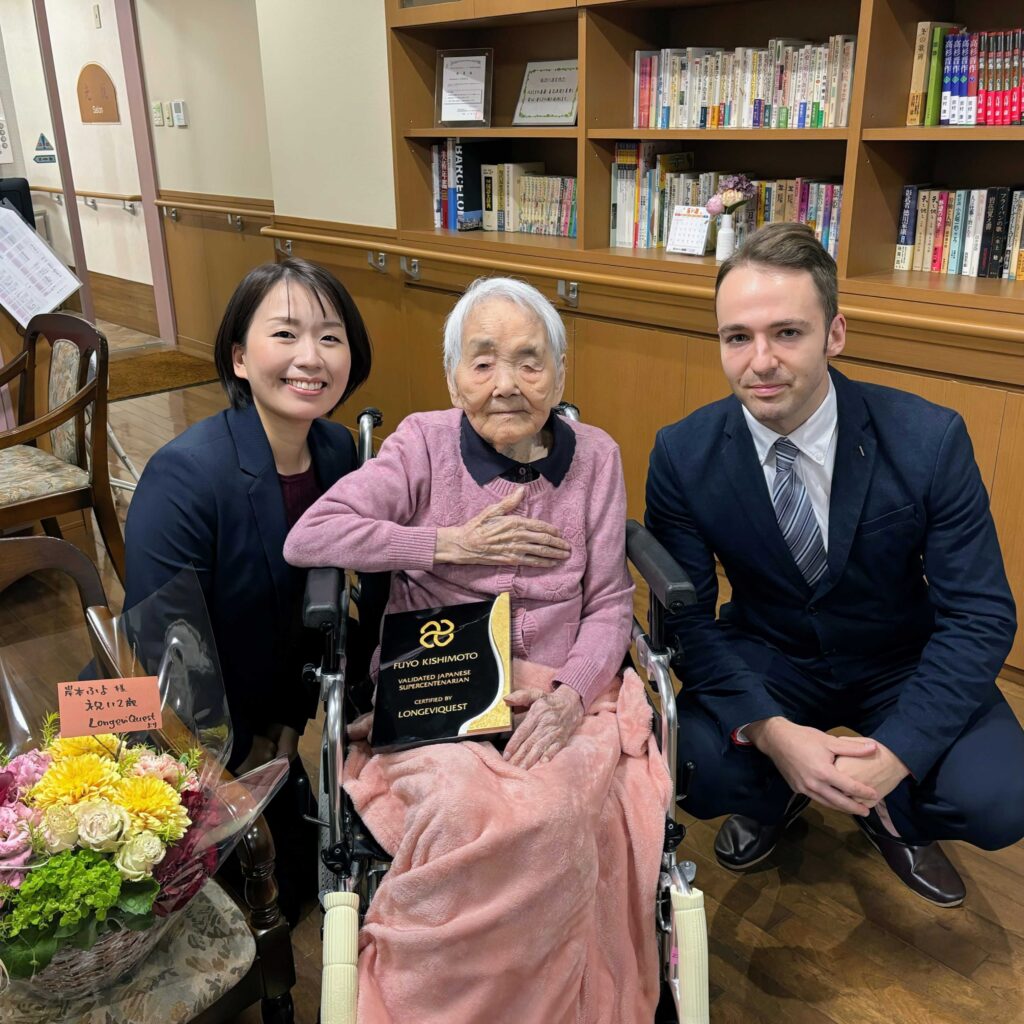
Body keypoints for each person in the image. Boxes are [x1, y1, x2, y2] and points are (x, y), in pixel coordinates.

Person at [284, 276, 667, 1023]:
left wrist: (570, 697)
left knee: (554, 814)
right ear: (452, 376)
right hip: (441, 680)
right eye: (483, 360)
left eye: (530, 362)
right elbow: (310, 537)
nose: (506, 384)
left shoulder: (596, 457)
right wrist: (442, 542)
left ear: (561, 374)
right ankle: (438, 996)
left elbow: (612, 603)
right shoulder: (423, 444)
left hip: (560, 692)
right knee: (461, 810)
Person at [645, 221, 1024, 907]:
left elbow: (980, 612)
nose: (760, 361)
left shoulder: (929, 439)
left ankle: (891, 812)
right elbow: (688, 622)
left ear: (835, 334)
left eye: (787, 333)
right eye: (738, 338)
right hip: (772, 653)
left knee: (1002, 798)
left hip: (897, 656)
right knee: (688, 764)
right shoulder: (682, 453)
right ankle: (782, 791)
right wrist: (773, 733)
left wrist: (899, 753)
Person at [123, 258, 372, 923]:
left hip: (268, 717)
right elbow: (160, 663)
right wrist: (232, 774)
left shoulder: (339, 452)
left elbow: (318, 609)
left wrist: (288, 732)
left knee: (310, 887)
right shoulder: (186, 477)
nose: (310, 358)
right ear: (239, 357)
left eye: (329, 336)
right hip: (171, 735)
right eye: (284, 335)